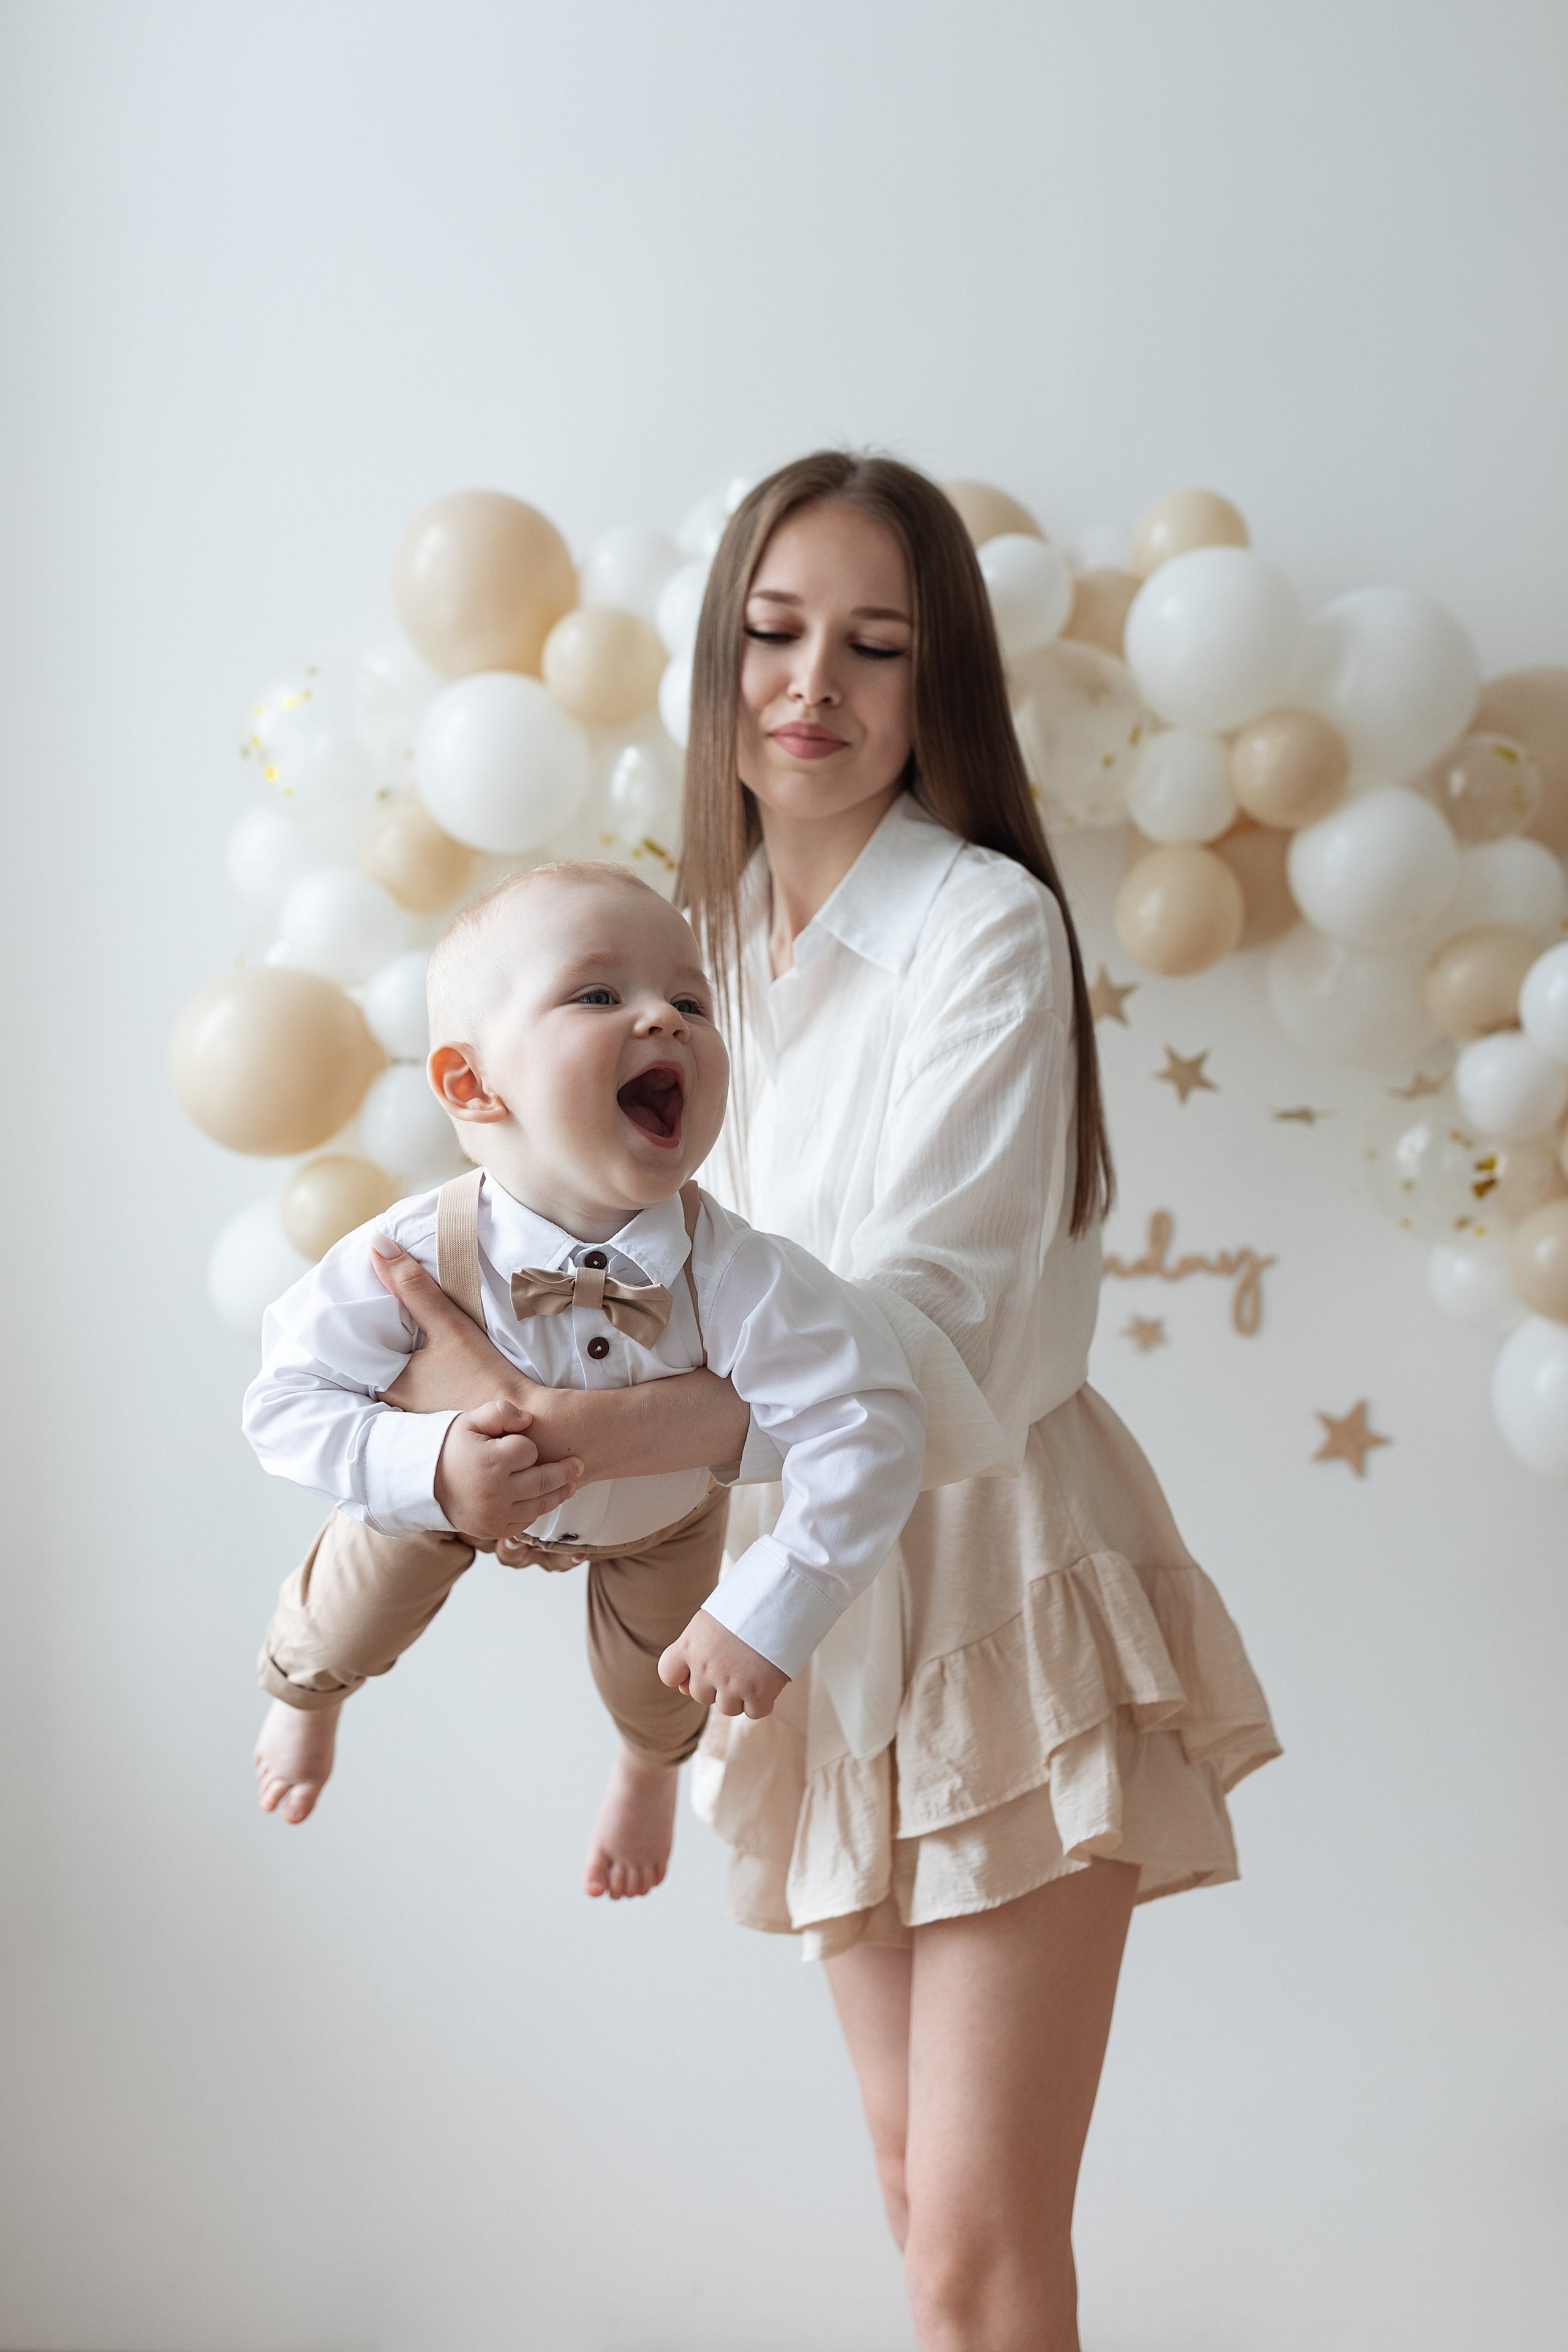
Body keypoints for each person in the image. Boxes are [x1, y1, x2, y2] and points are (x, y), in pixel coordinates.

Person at [360, 452, 1281, 2352]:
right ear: (718, 661)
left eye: (875, 644)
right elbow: (615, 1259)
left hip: (999, 1556)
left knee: (977, 2243)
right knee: (907, 2198)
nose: (815, 686)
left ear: (938, 686)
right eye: (775, 634)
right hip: (803, 1585)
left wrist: (609, 1432)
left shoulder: (984, 931)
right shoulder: (682, 958)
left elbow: (919, 1327)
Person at [246, 863, 925, 1900]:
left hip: (654, 1521)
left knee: (665, 1679)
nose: (665, 1017)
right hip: (438, 1502)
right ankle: (303, 1693)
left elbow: (868, 1419)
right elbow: (284, 1399)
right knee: (351, 1600)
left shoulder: (743, 1274)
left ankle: (649, 1768)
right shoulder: (409, 1252)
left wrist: (775, 1604)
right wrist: (425, 1463)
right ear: (474, 1086)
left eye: (691, 1001)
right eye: (600, 994)